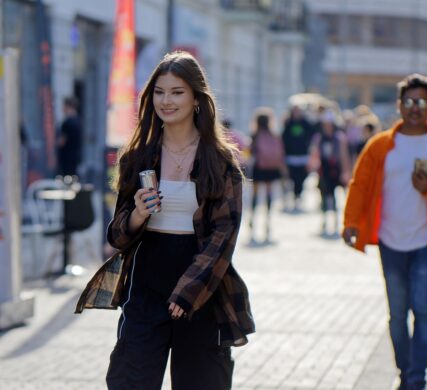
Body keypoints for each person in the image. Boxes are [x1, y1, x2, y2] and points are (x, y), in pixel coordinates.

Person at [75, 51, 255, 389]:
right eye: (159, 92)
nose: (166, 101)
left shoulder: (219, 161)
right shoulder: (138, 156)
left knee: (200, 381)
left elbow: (223, 236)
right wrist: (137, 215)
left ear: (197, 99)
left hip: (202, 285)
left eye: (177, 92)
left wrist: (187, 292)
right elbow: (117, 236)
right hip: (146, 282)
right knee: (131, 379)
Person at [342, 73, 427, 390]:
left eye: (422, 102)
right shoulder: (381, 146)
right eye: (410, 101)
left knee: (423, 312)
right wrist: (351, 223)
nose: (415, 107)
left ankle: (417, 377)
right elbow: (359, 186)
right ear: (400, 105)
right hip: (390, 243)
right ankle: (404, 371)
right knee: (397, 315)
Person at [308, 110, 351, 235]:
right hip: (324, 170)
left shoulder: (339, 137)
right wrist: (313, 166)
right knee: (324, 195)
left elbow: (344, 156)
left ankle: (337, 221)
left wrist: (345, 171)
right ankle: (325, 220)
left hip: (336, 169)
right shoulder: (319, 137)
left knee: (337, 197)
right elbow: (315, 154)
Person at [248, 107, 286, 242]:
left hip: (259, 168)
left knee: (255, 195)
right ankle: (268, 220)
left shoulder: (255, 136)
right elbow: (281, 154)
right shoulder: (274, 136)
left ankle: (252, 219)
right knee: (269, 194)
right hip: (271, 169)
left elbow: (250, 153)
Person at [281, 105, 315, 211]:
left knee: (301, 179)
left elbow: (312, 133)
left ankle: (298, 197)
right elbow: (283, 138)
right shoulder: (288, 124)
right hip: (291, 157)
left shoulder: (305, 123)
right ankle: (292, 198)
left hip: (303, 156)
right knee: (292, 179)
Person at [57, 96, 82, 176]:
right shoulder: (79, 121)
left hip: (66, 158)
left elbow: (62, 142)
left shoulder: (67, 123)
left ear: (68, 106)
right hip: (75, 158)